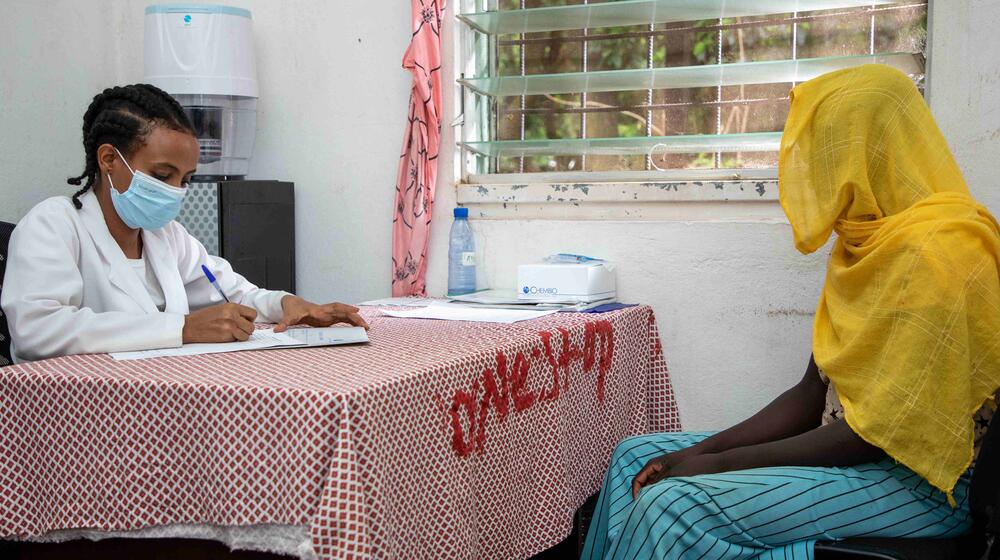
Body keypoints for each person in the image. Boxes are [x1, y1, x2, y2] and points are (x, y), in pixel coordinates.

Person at [583, 64, 1000, 559]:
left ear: (868, 149)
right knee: (636, 455)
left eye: (829, 151)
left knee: (673, 503)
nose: (817, 172)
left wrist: (715, 466)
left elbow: (874, 435)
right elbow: (811, 393)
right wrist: (704, 451)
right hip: (851, 452)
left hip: (922, 483)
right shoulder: (866, 244)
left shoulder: (943, 252)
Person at [0, 84, 368, 363]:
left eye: (185, 180)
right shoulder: (54, 225)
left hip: (158, 401)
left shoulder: (165, 236)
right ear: (109, 159)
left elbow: (231, 294)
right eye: (162, 175)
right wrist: (182, 328)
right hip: (75, 418)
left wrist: (287, 303)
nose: (176, 192)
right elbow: (37, 330)